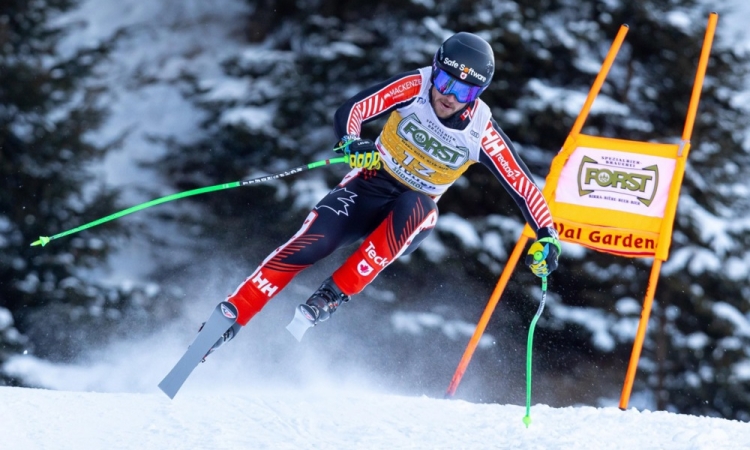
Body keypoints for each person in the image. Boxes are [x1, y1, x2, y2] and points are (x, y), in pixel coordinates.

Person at [204, 31, 561, 355]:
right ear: (434, 70)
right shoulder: (416, 86)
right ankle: (234, 313)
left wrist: (547, 237)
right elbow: (355, 109)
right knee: (313, 242)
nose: (448, 96)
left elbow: (525, 189)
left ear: (477, 95)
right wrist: (352, 140)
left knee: (417, 205)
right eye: (444, 82)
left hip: (411, 213)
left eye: (464, 92)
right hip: (368, 185)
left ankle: (331, 295)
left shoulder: (482, 132)